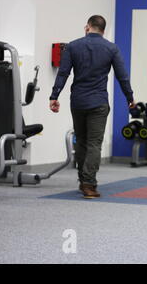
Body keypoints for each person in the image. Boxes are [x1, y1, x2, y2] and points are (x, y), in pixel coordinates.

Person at [49, 15, 135, 199]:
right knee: (94, 143)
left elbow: (63, 73)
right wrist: (130, 97)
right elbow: (122, 76)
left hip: (78, 101)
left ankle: (83, 180)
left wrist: (54, 96)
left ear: (87, 27)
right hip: (98, 102)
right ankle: (89, 184)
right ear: (103, 30)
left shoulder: (72, 46)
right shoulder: (111, 48)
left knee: (81, 141)